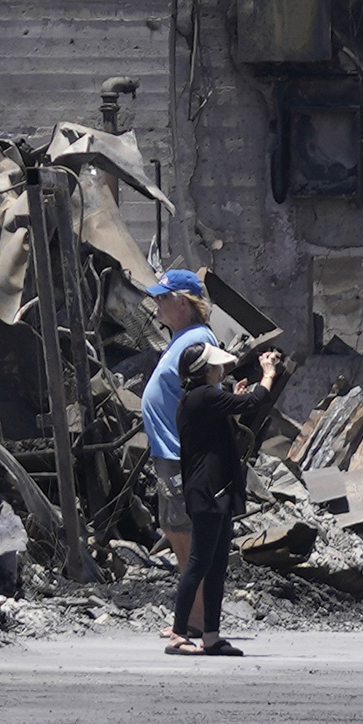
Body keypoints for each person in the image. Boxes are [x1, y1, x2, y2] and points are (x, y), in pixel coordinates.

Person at [171, 339, 286, 656]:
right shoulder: (204, 396)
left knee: (217, 564)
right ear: (207, 371)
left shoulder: (202, 399)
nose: (222, 368)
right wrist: (268, 373)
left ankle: (211, 635)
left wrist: (232, 401)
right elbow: (256, 401)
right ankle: (179, 634)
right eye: (217, 365)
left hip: (215, 490)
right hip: (208, 490)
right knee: (199, 564)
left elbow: (224, 427)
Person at [140, 268, 219, 649]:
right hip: (168, 451)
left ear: (183, 303)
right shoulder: (183, 338)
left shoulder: (198, 342)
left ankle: (195, 622)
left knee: (187, 537)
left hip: (180, 452)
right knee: (176, 531)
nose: (156, 303)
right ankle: (191, 616)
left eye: (162, 297)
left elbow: (209, 397)